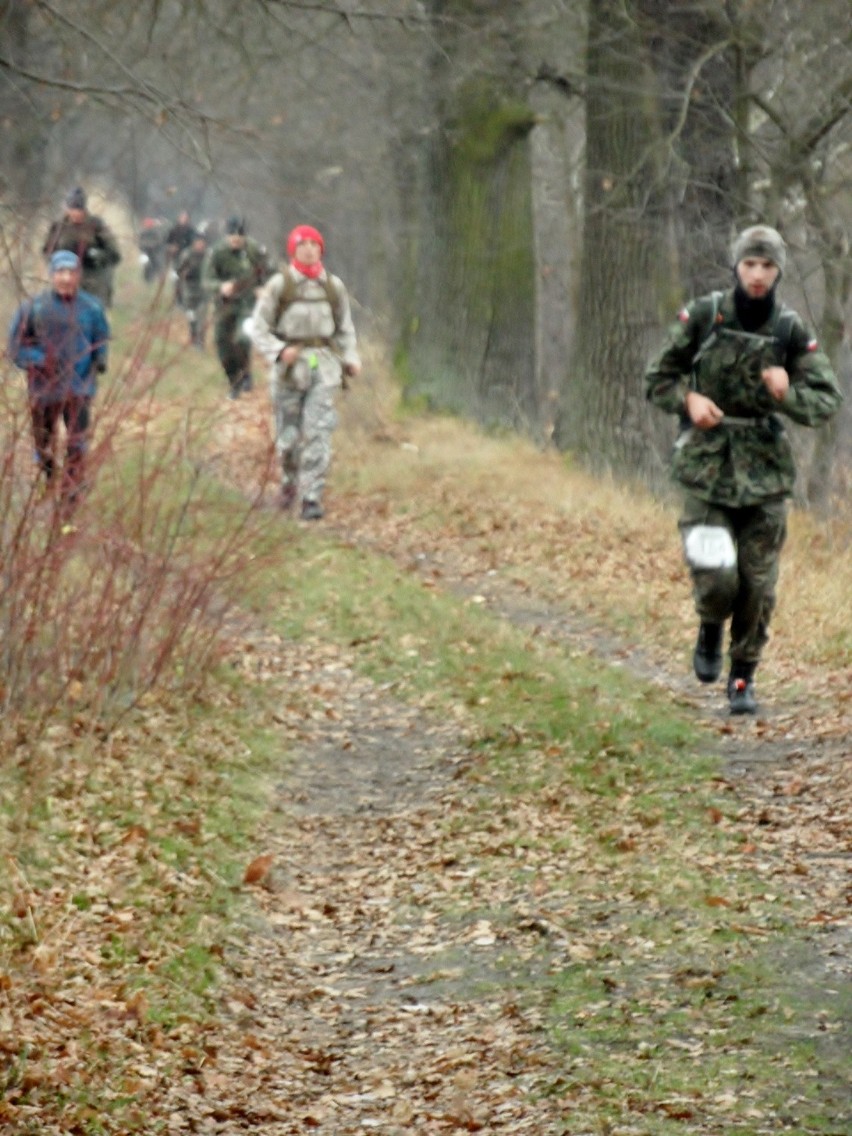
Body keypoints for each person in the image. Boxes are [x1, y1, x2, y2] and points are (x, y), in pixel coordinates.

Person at [645, 224, 842, 714]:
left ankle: (742, 678)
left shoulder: (789, 331)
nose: (757, 275)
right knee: (717, 576)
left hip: (765, 472)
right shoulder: (705, 315)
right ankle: (710, 625)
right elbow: (658, 377)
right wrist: (687, 399)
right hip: (704, 468)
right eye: (750, 264)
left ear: (778, 272)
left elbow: (826, 400)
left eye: (767, 266)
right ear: (736, 266)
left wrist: (786, 394)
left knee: (758, 583)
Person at [250, 224, 361, 520]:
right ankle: (288, 484)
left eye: (315, 244)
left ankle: (311, 496)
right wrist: (278, 351)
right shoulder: (280, 286)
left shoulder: (333, 287)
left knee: (318, 431)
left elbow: (345, 329)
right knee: (288, 434)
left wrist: (351, 358)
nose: (310, 249)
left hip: (324, 367)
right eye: (303, 244)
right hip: (289, 368)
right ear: (293, 249)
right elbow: (258, 328)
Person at [7, 250, 110, 509]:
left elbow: (101, 339)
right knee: (43, 446)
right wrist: (40, 360)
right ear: (51, 275)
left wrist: (98, 362)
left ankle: (70, 497)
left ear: (78, 276)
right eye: (60, 272)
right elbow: (15, 347)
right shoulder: (34, 307)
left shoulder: (92, 307)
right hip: (44, 390)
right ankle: (50, 475)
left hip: (79, 389)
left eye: (71, 272)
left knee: (77, 445)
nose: (66, 278)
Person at [202, 216, 270, 398]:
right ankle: (234, 382)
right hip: (224, 306)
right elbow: (207, 280)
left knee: (243, 338)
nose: (236, 240)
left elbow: (269, 271)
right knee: (222, 344)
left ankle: (245, 372)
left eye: (239, 236)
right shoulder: (217, 253)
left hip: (248, 304)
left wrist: (263, 288)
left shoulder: (255, 250)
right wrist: (221, 287)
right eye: (232, 235)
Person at [42, 186, 121, 307]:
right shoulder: (58, 227)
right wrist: (58, 264)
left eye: (79, 209)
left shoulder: (96, 225)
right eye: (72, 209)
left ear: (84, 209)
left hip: (92, 282)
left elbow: (114, 254)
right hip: (65, 282)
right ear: (67, 209)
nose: (76, 214)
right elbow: (47, 252)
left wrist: (97, 255)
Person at [175, 230, 209, 348]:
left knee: (202, 317)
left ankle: (200, 342)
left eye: (202, 242)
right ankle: (193, 335)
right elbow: (179, 270)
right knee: (192, 317)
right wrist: (185, 273)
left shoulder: (208, 255)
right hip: (189, 290)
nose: (200, 245)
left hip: (203, 291)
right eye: (198, 242)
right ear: (194, 243)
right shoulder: (187, 254)